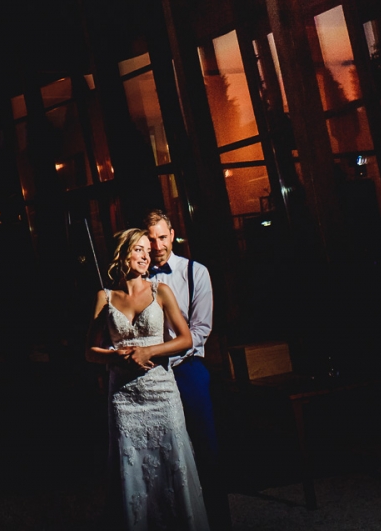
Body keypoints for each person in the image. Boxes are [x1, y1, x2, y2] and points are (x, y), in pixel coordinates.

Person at [87, 228, 209, 531]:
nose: (145, 255)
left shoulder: (160, 291)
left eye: (147, 250)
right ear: (123, 253)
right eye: (138, 249)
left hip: (161, 393)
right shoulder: (105, 296)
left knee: (171, 464)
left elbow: (186, 339)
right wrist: (113, 357)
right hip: (124, 398)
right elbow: (89, 351)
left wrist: (149, 351)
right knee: (132, 468)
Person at [144, 210, 227, 530]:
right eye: (150, 240)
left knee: (206, 447)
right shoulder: (137, 278)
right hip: (152, 374)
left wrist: (168, 355)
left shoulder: (196, 272)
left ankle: (219, 520)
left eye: (162, 237)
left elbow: (201, 329)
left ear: (173, 234)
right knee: (164, 450)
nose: (157, 245)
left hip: (187, 368)